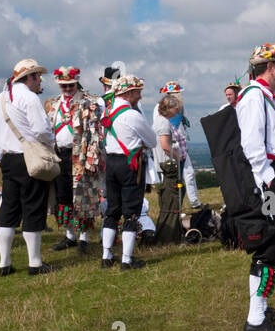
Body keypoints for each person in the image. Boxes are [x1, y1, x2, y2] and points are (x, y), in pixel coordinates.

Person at [235, 43, 275, 331]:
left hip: (273, 174)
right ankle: (256, 319)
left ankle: (261, 308)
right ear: (270, 67)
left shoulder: (266, 96)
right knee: (269, 241)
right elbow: (251, 142)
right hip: (267, 178)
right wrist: (267, 179)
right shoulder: (253, 96)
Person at [0, 59, 56, 276]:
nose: (40, 82)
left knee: (8, 209)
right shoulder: (29, 97)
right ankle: (34, 263)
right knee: (33, 207)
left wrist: (1, 158)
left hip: (7, 159)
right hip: (30, 157)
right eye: (38, 77)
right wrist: (51, 138)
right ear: (30, 77)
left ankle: (4, 263)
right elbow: (40, 130)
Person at [101, 74, 157, 270]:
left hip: (111, 163)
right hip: (129, 165)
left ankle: (106, 256)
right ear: (129, 93)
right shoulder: (133, 115)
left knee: (112, 210)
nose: (140, 96)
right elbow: (152, 141)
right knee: (131, 212)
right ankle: (126, 259)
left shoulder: (107, 112)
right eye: (138, 92)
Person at [48, 67, 105, 254]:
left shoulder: (88, 101)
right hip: (59, 154)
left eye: (70, 85)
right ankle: (69, 235)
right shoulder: (54, 104)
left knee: (81, 197)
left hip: (79, 155)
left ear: (76, 83)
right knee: (63, 196)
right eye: (64, 86)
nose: (67, 89)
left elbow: (95, 131)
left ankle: (84, 237)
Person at [159, 82, 202, 211]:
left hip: (181, 146)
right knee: (173, 179)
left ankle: (194, 201)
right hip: (171, 147)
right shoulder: (163, 111)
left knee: (189, 174)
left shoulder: (180, 108)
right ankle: (173, 205)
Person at [152, 92, 188, 243]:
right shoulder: (164, 123)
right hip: (169, 165)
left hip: (168, 164)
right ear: (169, 108)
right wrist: (177, 157)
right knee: (174, 194)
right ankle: (170, 233)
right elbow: (165, 145)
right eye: (176, 108)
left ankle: (173, 229)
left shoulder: (162, 121)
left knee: (177, 192)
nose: (177, 111)